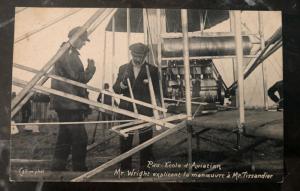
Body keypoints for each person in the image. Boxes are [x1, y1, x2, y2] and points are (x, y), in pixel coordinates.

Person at [50, 26, 96, 171]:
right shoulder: (68, 52)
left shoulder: (66, 51)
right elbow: (77, 78)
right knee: (80, 138)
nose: (84, 44)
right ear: (76, 39)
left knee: (65, 136)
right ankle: (79, 169)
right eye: (83, 41)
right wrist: (91, 69)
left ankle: (58, 167)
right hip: (70, 103)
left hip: (65, 103)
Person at [113, 42, 160, 171]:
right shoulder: (123, 69)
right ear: (131, 54)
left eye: (140, 56)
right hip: (126, 110)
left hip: (145, 111)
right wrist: (122, 85)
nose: (137, 59)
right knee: (125, 141)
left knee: (146, 142)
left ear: (145, 55)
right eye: (135, 55)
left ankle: (145, 169)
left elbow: (158, 91)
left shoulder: (152, 70)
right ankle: (125, 169)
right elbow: (116, 88)